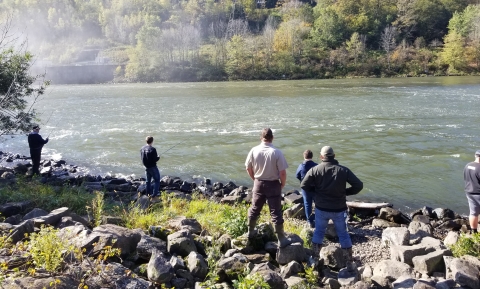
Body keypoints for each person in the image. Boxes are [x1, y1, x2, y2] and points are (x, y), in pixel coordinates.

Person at [301, 146, 363, 271]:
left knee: (319, 232)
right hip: (339, 209)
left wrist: (317, 192)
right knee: (343, 235)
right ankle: (349, 263)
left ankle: (314, 260)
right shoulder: (343, 170)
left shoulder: (315, 170)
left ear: (321, 157)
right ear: (334, 156)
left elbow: (304, 185)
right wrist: (345, 192)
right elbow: (358, 185)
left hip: (321, 208)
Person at [245, 128, 291, 248]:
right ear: (272, 138)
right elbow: (282, 173)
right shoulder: (276, 152)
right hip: (273, 184)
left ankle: (250, 232)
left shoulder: (254, 150)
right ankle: (281, 239)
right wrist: (282, 184)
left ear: (261, 137)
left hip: (258, 183)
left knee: (255, 208)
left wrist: (254, 179)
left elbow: (248, 168)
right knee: (275, 212)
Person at [296, 149, 318, 228]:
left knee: (307, 204)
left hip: (305, 188)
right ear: (312, 156)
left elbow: (297, 175)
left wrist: (302, 181)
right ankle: (318, 218)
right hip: (315, 188)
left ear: (304, 156)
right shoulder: (316, 165)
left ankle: (309, 221)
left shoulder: (301, 166)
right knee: (317, 204)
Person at [463, 150, 480, 234]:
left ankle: (474, 231)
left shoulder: (467, 165)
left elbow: (465, 178)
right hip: (478, 192)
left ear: (475, 156)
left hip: (469, 191)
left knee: (473, 212)